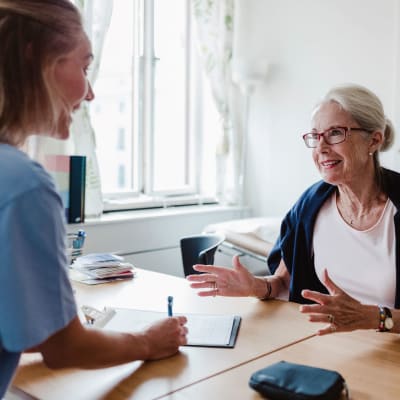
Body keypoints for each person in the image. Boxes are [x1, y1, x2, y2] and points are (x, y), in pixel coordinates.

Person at [0, 1, 187, 397]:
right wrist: (148, 341)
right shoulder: (24, 184)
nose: (91, 92)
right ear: (37, 61)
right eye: (84, 68)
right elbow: (64, 349)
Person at [187, 83, 400, 337]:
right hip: (320, 345)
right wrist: (257, 286)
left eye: (335, 133)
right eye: (315, 136)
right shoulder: (310, 205)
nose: (321, 148)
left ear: (374, 140)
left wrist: (371, 317)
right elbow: (284, 283)